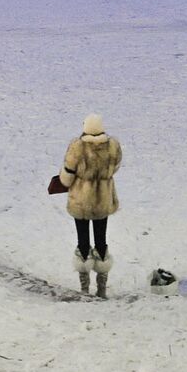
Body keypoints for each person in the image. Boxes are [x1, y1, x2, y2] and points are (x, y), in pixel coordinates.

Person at [61, 113, 122, 298]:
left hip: (81, 200)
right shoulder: (113, 146)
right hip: (103, 200)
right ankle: (102, 288)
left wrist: (65, 181)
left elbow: (68, 173)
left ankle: (84, 288)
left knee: (83, 242)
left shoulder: (77, 146)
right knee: (101, 240)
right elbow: (116, 166)